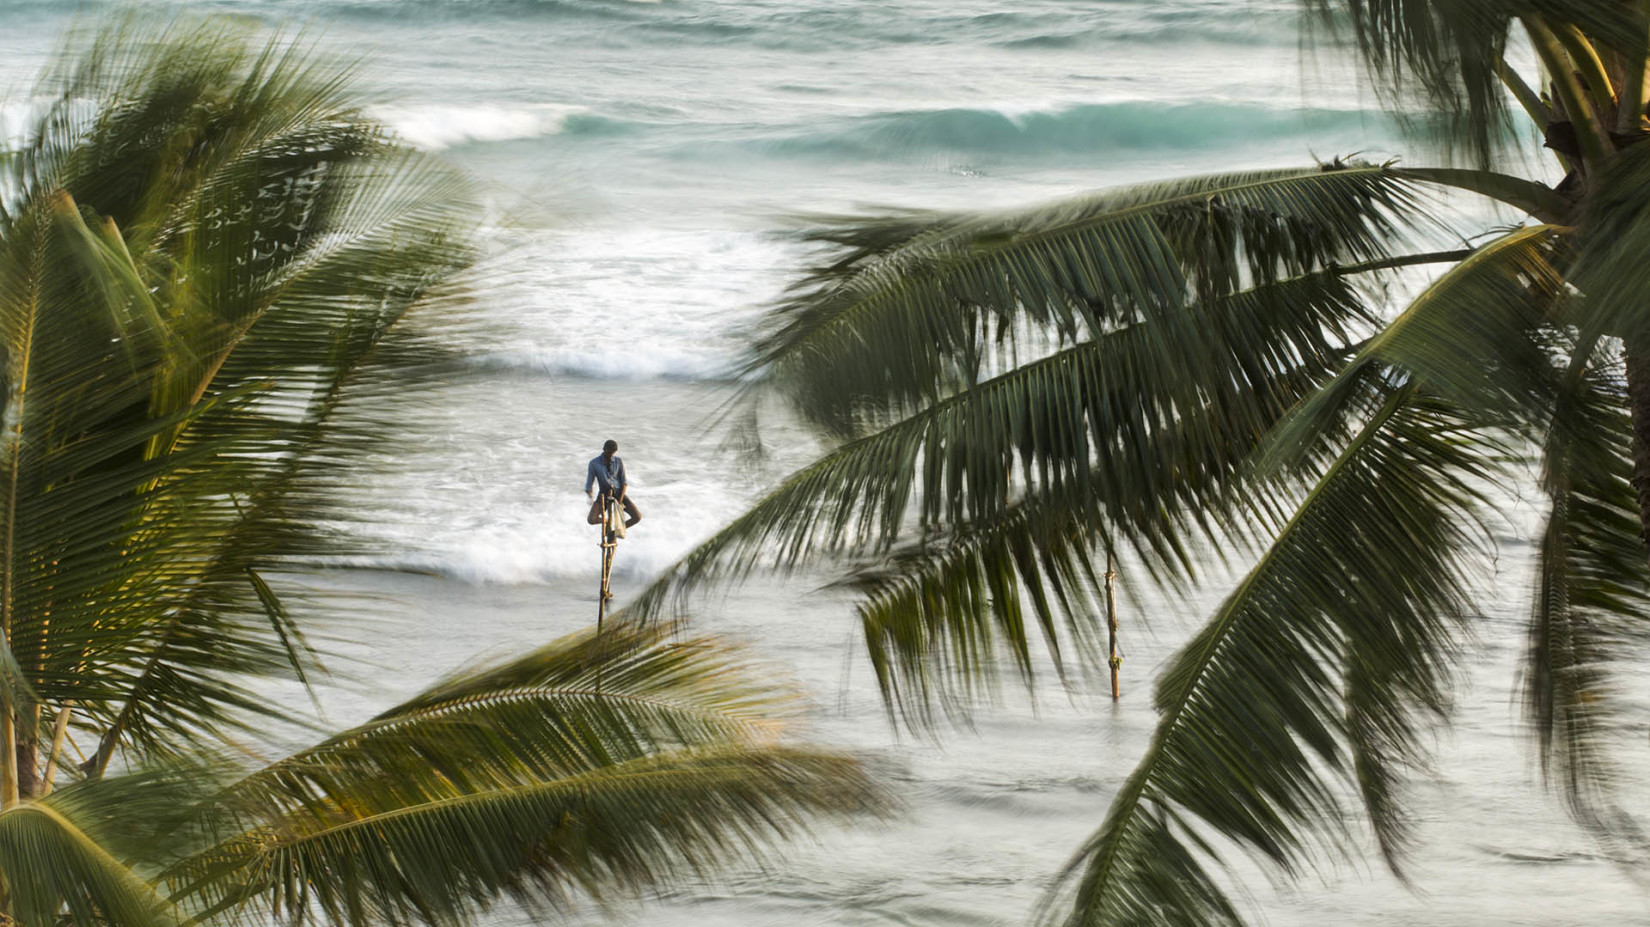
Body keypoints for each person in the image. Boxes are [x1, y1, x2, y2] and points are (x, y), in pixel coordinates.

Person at [586, 439, 642, 530]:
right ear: (603, 449)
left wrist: (620, 501)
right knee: (591, 519)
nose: (610, 456)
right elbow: (589, 484)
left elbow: (624, 483)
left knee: (637, 517)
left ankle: (617, 531)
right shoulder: (594, 463)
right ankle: (608, 521)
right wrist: (590, 496)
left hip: (619, 493)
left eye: (612, 453)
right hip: (603, 495)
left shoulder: (618, 461)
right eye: (608, 453)